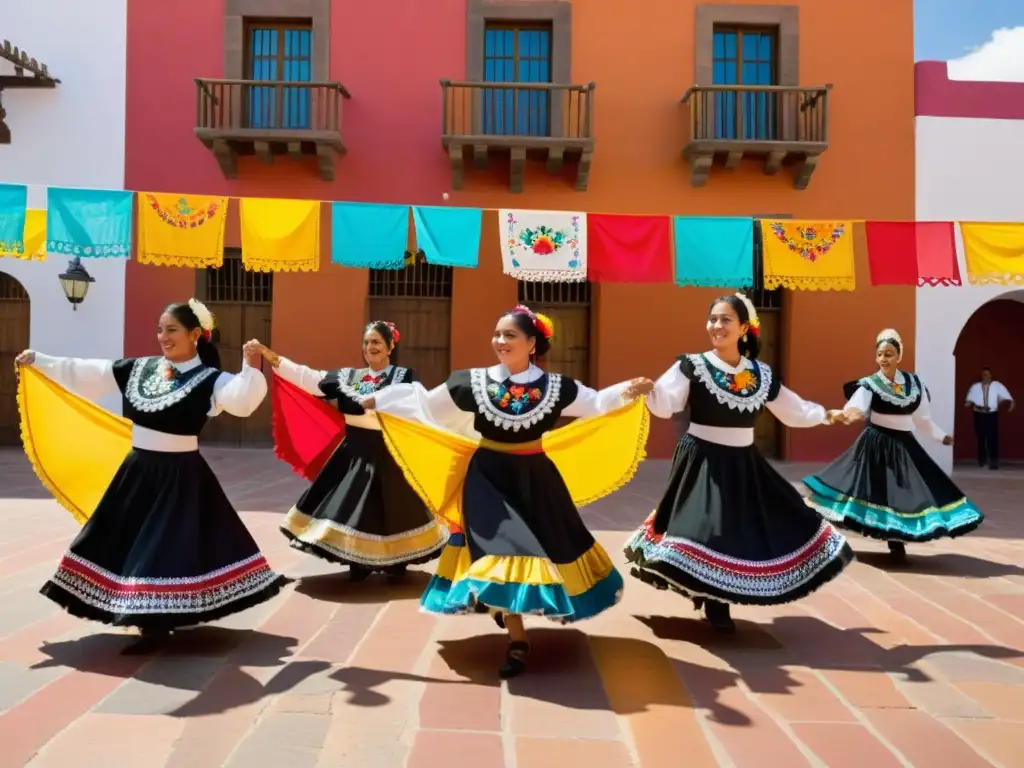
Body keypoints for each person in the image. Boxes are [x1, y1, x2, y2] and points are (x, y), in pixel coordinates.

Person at [360, 305, 653, 678]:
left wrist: (629, 390)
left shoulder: (556, 387)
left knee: (552, 546)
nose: (500, 341)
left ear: (532, 343)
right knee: (508, 549)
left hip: (536, 481)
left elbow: (595, 404)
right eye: (497, 334)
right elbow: (426, 404)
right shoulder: (472, 383)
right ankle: (518, 640)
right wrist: (383, 401)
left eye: (510, 335)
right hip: (487, 480)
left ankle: (507, 611)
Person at [15, 299, 286, 653]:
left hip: (181, 476)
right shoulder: (138, 369)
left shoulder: (211, 380)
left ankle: (154, 621)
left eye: (172, 329)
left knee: (165, 547)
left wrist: (250, 367)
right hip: (138, 470)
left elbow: (242, 401)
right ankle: (147, 614)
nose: (163, 336)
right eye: (160, 329)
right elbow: (88, 371)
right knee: (123, 540)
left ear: (195, 335)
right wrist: (41, 362)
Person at [624, 294, 854, 634]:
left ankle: (716, 599)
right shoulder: (693, 365)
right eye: (713, 319)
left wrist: (826, 415)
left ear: (744, 328)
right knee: (705, 527)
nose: (717, 326)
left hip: (743, 462)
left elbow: (792, 408)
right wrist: (649, 391)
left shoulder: (760, 374)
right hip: (701, 458)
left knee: (736, 529)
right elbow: (666, 403)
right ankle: (709, 595)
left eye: (725, 320)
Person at [251, 321, 447, 581]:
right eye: (366, 342)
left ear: (390, 346)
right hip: (353, 452)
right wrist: (273, 358)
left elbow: (415, 402)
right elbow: (309, 377)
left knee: (395, 508)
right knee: (353, 506)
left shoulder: (403, 376)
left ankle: (397, 559)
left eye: (377, 341)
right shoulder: (348, 377)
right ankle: (358, 560)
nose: (370, 347)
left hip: (389, 452)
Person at [804, 329, 983, 561]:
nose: (884, 359)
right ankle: (822, 537)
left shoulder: (915, 384)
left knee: (902, 494)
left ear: (899, 356)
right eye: (880, 354)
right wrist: (842, 415)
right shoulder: (870, 384)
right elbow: (856, 409)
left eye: (889, 354)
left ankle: (896, 542)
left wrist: (943, 437)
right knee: (860, 492)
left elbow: (923, 421)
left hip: (904, 444)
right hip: (874, 444)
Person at [964, 367, 1014, 470]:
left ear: (990, 375)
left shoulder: (997, 386)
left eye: (987, 374)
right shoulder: (975, 387)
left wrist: (1011, 403)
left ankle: (993, 461)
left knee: (993, 437)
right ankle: (982, 459)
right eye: (984, 374)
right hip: (979, 413)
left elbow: (1007, 396)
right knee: (980, 437)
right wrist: (968, 403)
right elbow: (969, 399)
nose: (985, 376)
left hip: (991, 414)